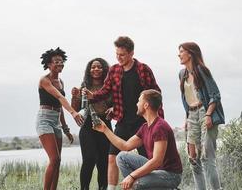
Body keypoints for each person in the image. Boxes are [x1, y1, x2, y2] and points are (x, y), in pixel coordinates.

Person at [83, 36, 164, 190]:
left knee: (148, 160)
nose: (118, 58)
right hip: (123, 120)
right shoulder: (114, 70)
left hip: (142, 123)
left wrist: (158, 120)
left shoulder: (143, 69)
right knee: (111, 157)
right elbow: (105, 91)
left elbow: (156, 94)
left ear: (131, 53)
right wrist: (92, 96)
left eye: (122, 55)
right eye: (117, 54)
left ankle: (152, 186)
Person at [93, 89, 182, 190]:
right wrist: (105, 129)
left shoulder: (159, 127)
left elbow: (157, 161)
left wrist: (132, 176)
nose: (137, 104)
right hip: (157, 170)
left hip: (171, 175)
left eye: (139, 101)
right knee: (121, 157)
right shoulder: (145, 127)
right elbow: (125, 146)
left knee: (136, 183)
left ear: (146, 105)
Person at [178, 42, 224, 190]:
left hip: (205, 112)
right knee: (193, 159)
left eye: (181, 51)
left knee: (206, 157)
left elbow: (215, 95)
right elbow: (186, 98)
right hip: (191, 114)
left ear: (190, 53)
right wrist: (186, 119)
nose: (179, 55)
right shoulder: (182, 74)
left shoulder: (202, 71)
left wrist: (209, 115)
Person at [36, 47, 84, 190]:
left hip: (56, 120)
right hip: (44, 120)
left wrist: (66, 129)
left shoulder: (61, 82)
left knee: (58, 161)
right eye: (56, 62)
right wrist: (74, 113)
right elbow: (59, 96)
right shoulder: (44, 80)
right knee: (54, 159)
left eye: (61, 62)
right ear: (49, 64)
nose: (59, 64)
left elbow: (59, 105)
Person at [71, 58, 113, 190]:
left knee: (103, 162)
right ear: (89, 70)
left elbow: (117, 104)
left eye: (99, 67)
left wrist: (113, 109)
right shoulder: (84, 86)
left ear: (104, 69)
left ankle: (103, 188)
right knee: (89, 160)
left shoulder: (109, 86)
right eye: (93, 67)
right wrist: (74, 96)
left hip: (104, 124)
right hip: (88, 125)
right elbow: (77, 109)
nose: (96, 69)